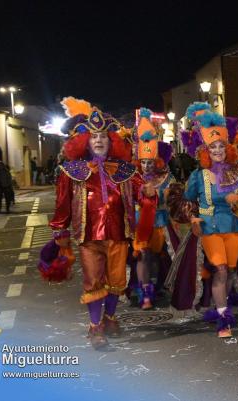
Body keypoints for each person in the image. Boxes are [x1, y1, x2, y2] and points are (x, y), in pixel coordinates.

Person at [47, 97, 157, 349]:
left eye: (104, 137)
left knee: (117, 281)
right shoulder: (71, 171)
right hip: (89, 237)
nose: (99, 141)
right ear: (85, 142)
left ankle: (110, 318)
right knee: (93, 281)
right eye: (94, 137)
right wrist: (59, 230)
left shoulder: (124, 170)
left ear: (111, 142)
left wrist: (149, 193)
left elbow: (143, 192)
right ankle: (95, 326)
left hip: (119, 235)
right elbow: (62, 204)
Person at [167, 103, 238, 338]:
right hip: (210, 228)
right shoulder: (198, 176)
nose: (218, 151)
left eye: (221, 146)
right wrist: (192, 217)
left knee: (230, 270)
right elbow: (187, 199)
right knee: (220, 269)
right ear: (206, 152)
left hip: (233, 228)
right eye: (213, 147)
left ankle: (219, 302)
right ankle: (223, 317)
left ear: (228, 148)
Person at [129, 108, 178, 310]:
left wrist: (163, 199)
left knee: (157, 257)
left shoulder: (167, 178)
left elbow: (175, 200)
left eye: (150, 162)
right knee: (142, 255)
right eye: (143, 162)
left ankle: (157, 288)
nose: (147, 166)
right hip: (141, 225)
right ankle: (145, 293)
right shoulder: (132, 179)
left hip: (160, 224)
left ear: (156, 161)